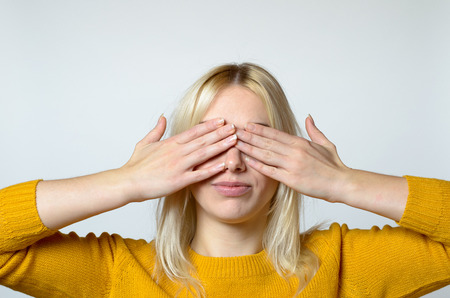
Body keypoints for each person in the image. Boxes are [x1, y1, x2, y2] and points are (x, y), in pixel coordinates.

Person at [1, 63, 449, 297]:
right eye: (211, 143)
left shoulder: (345, 263)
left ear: (290, 157)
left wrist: (344, 183)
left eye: (256, 143)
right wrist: (127, 182)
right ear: (175, 159)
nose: (233, 163)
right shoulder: (117, 272)